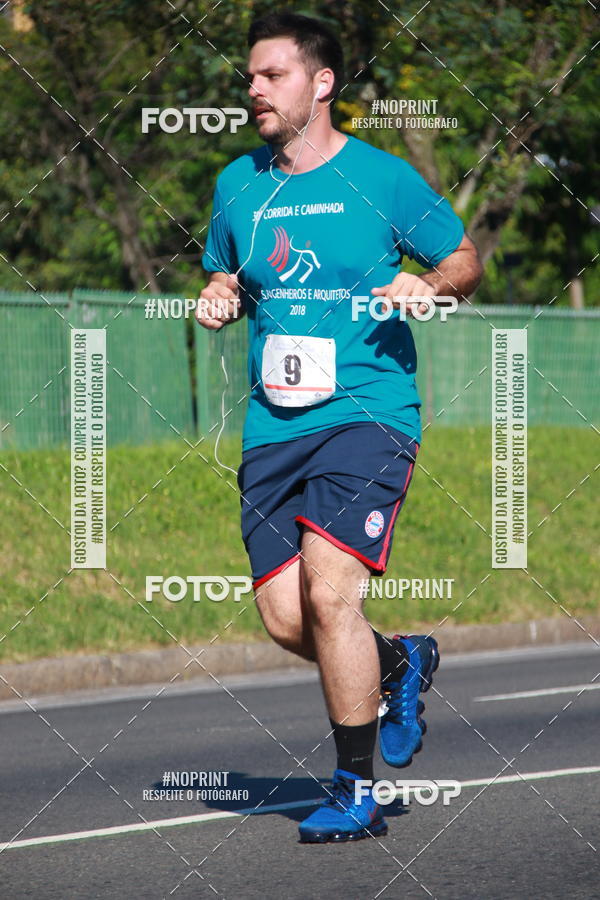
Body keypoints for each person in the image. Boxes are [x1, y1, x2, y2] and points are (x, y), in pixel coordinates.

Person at [197, 11, 482, 843]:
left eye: (271, 75)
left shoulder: (384, 179)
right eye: (249, 76)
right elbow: (225, 265)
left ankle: (354, 791)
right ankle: (403, 662)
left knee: (330, 594)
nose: (253, 88)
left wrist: (429, 287)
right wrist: (220, 293)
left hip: (367, 411)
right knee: (291, 621)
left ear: (321, 84)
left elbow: (462, 259)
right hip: (272, 425)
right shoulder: (237, 184)